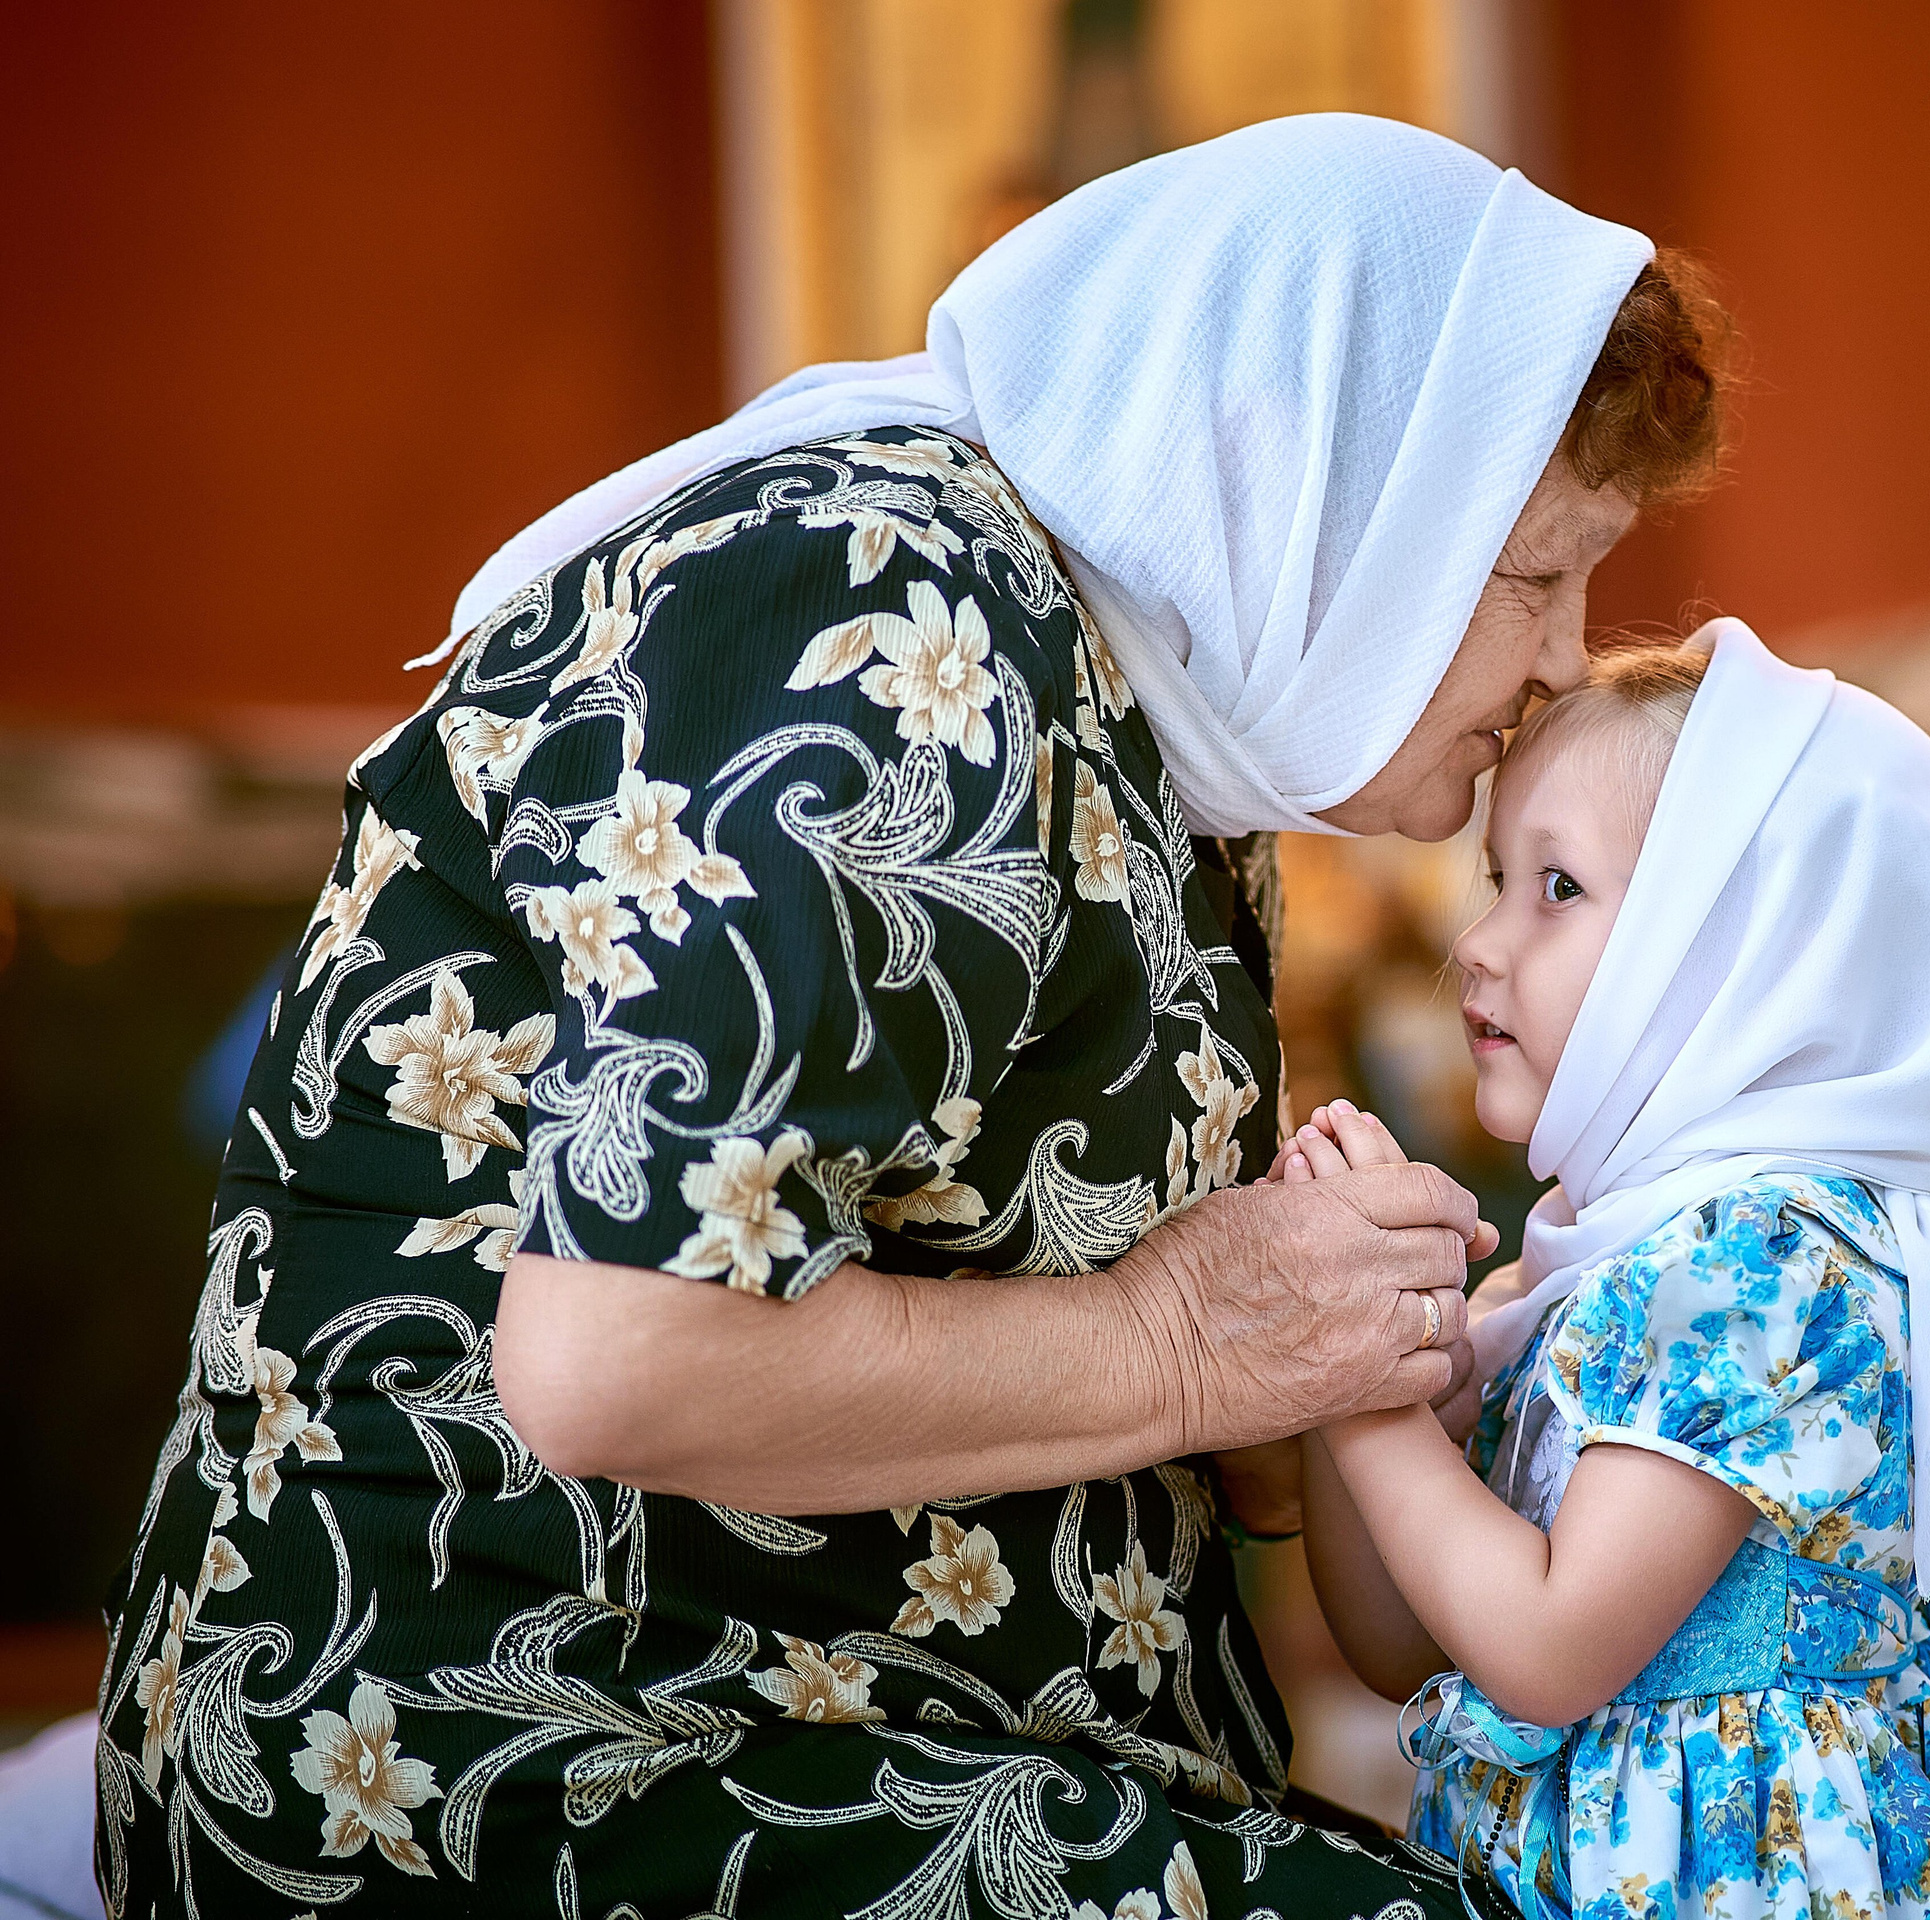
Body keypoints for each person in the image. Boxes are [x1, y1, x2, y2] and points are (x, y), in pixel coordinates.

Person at [93, 117, 1734, 1917]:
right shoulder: (881, 608)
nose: (1574, 656)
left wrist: (1315, 1394)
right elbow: (626, 1349)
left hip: (875, 1740)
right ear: (1341, 497)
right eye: (1534, 575)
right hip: (531, 1751)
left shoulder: (1165, 724)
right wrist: (1190, 1344)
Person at [1277, 631, 1930, 1918]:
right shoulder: (1596, 1278)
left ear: (1734, 950)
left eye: (1555, 887)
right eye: (1495, 877)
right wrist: (1370, 1357)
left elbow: (1549, 1649)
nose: (1481, 943)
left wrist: (1376, 1411)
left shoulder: (1760, 1257)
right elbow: (1404, 1648)